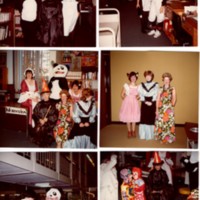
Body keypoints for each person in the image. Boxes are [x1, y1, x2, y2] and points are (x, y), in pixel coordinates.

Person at [32, 79, 58, 147]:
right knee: (39, 129)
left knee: (44, 129)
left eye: (47, 94)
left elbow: (55, 115)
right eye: (44, 94)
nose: (46, 96)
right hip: (40, 123)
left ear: (49, 95)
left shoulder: (53, 104)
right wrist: (39, 120)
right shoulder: (39, 104)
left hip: (49, 124)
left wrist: (47, 119)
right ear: (42, 95)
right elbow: (34, 114)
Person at [154, 72, 176, 144]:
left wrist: (171, 107)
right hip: (161, 109)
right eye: (165, 79)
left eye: (168, 79)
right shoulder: (159, 89)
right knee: (161, 124)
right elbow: (157, 100)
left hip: (169, 110)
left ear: (170, 80)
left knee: (169, 124)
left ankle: (168, 139)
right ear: (163, 80)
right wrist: (156, 110)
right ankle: (161, 138)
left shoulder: (173, 89)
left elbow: (174, 99)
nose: (166, 81)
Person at [138, 70, 158, 140]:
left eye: (149, 76)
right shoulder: (141, 85)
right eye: (146, 76)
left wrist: (151, 102)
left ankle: (150, 136)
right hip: (144, 103)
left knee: (151, 118)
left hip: (152, 103)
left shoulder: (155, 84)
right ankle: (143, 135)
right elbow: (140, 94)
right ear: (145, 76)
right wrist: (145, 101)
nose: (148, 77)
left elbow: (156, 94)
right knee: (144, 118)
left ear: (152, 77)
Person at [119, 71, 140, 138]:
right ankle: (129, 131)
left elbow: (138, 96)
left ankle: (133, 131)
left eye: (134, 77)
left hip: (134, 103)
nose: (133, 78)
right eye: (131, 77)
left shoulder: (138, 86)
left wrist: (138, 97)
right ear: (130, 78)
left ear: (136, 78)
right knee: (128, 118)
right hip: (127, 103)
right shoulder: (126, 86)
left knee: (134, 118)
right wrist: (126, 99)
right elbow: (122, 95)